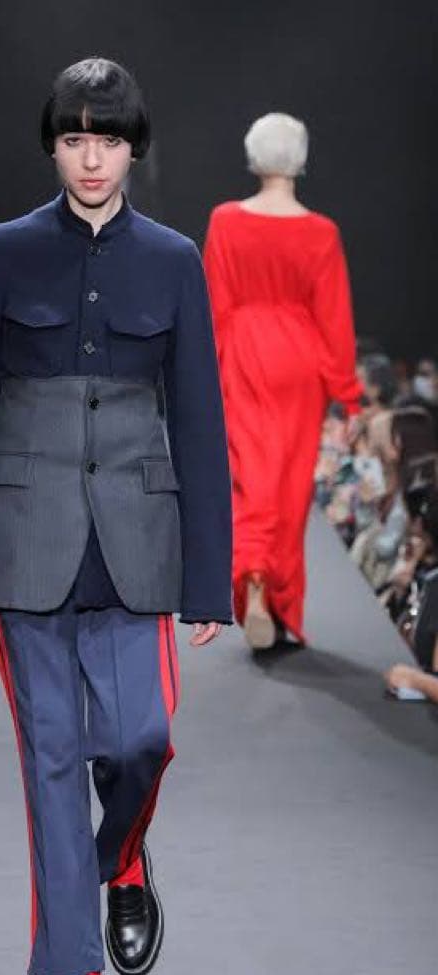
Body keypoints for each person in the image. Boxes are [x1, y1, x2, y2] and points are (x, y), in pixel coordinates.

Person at [0, 57, 232, 975]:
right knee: (51, 759)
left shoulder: (174, 259)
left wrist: (210, 574)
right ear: (53, 148)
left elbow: (199, 414)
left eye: (108, 141)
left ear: (134, 150)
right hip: (22, 540)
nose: (91, 160)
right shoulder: (2, 252)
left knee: (142, 740)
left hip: (138, 536)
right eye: (73, 140)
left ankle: (123, 861)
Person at [203, 112, 364, 649]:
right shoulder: (321, 232)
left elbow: (214, 302)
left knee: (250, 476)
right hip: (299, 361)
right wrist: (349, 397)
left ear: (254, 157)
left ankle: (252, 575)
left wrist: (203, 372)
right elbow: (335, 318)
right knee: (290, 485)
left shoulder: (226, 220)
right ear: (301, 159)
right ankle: (278, 599)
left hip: (244, 354)